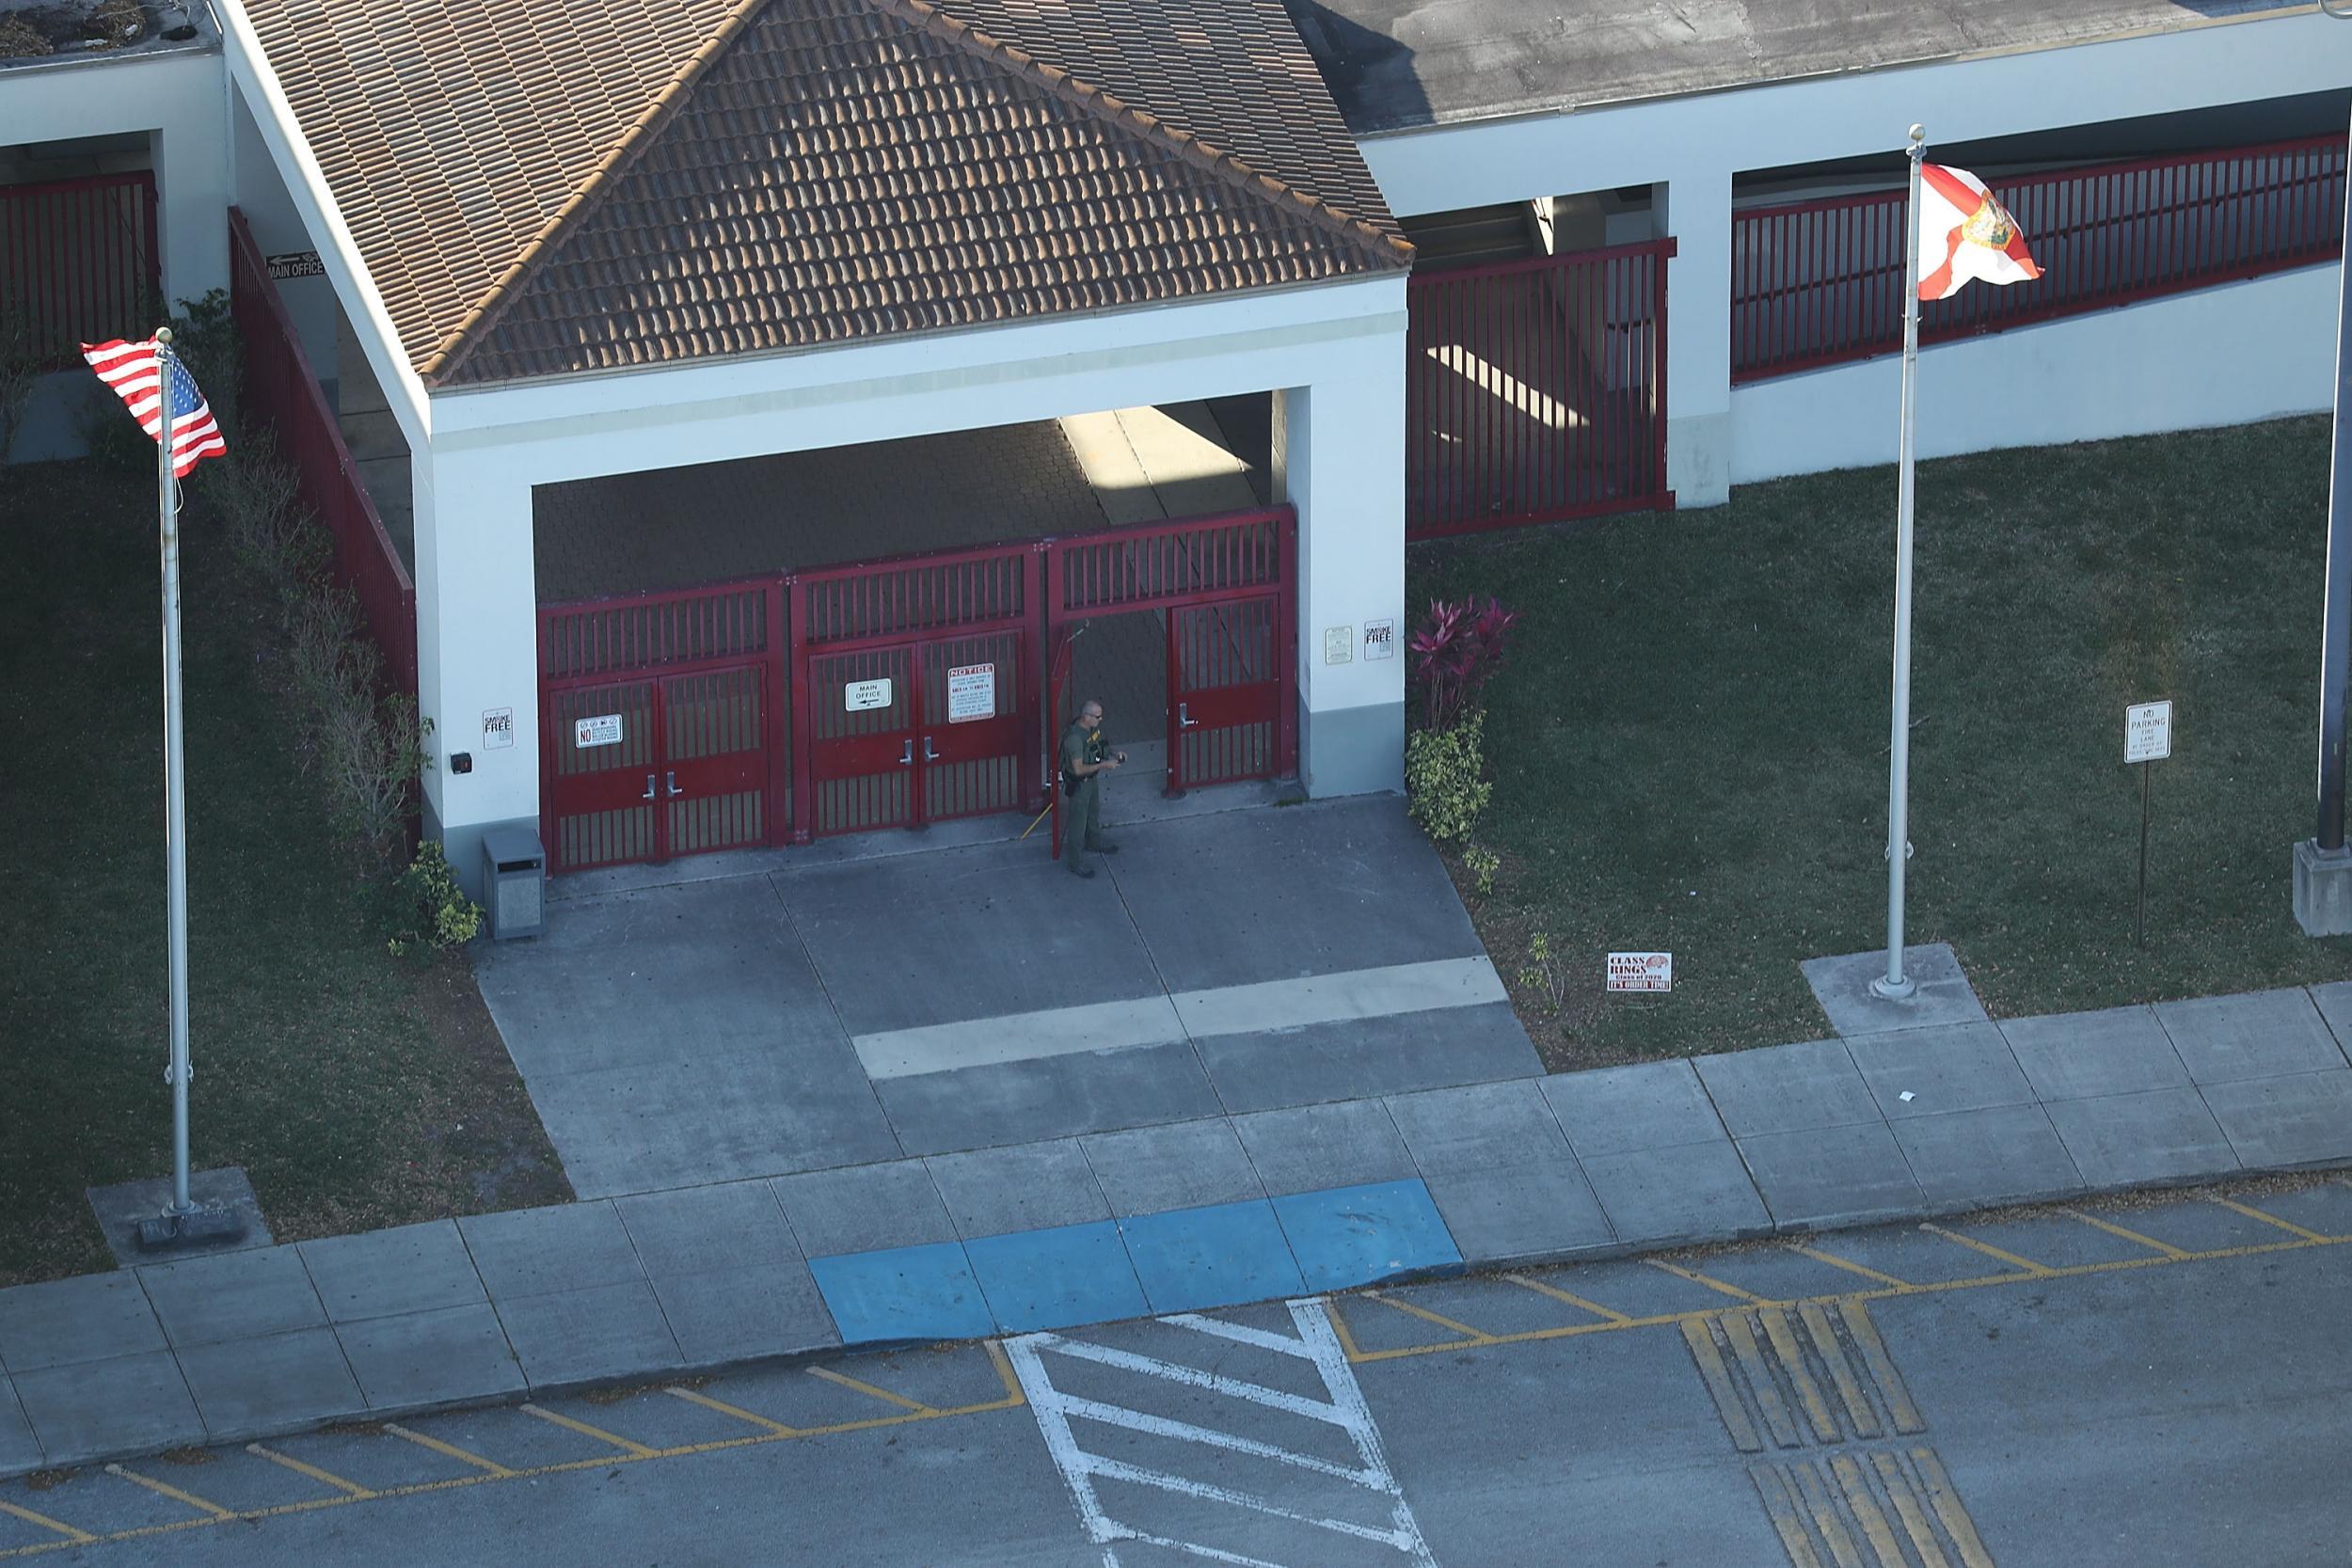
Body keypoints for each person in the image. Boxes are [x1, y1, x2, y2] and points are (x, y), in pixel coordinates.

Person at [1058, 698, 1124, 879]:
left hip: (1091, 780)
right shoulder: (1074, 739)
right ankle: (1075, 862)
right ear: (1086, 717)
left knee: (1093, 813)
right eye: (1097, 716)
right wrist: (1104, 765)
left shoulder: (1092, 729)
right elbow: (1078, 769)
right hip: (1080, 784)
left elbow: (1102, 744)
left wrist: (1114, 753)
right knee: (1078, 824)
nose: (1100, 719)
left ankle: (1094, 842)